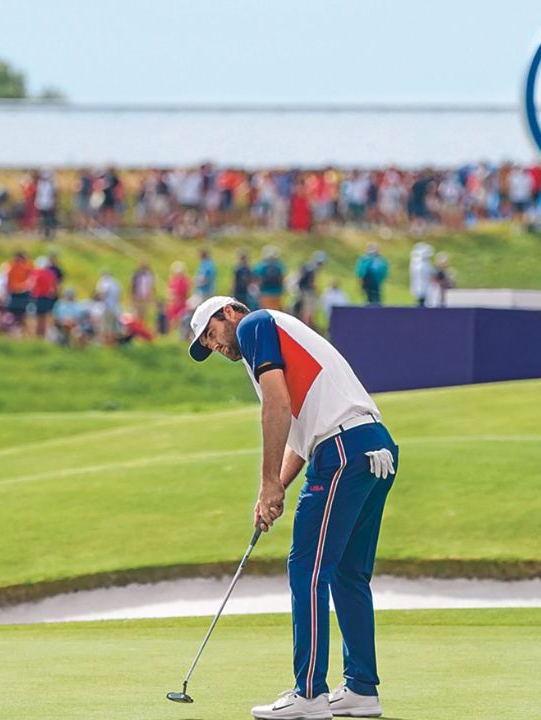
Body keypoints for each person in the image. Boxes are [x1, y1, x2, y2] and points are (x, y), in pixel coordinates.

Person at [187, 296, 398, 720]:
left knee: (307, 568)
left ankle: (308, 694)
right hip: (374, 447)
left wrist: (267, 484)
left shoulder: (255, 326)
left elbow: (277, 407)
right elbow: (300, 439)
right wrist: (275, 489)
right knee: (346, 573)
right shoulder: (275, 339)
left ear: (229, 312)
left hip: (340, 450)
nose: (216, 347)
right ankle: (360, 688)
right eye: (208, 346)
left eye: (211, 335)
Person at [31, 257, 59, 338]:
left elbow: (32, 286)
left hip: (37, 298)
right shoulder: (50, 274)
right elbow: (54, 288)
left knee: (38, 318)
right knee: (45, 318)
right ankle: (43, 335)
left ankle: (38, 336)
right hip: (47, 298)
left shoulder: (36, 273)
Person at [254, 245, 286, 311]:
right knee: (276, 311)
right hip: (277, 292)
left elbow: (256, 278)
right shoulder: (279, 265)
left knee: (265, 311)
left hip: (264, 292)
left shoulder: (261, 265)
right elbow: (282, 278)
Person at [165, 261, 190, 329]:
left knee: (179, 318)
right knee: (171, 318)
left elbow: (183, 292)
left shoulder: (184, 281)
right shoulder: (173, 280)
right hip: (173, 303)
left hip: (180, 303)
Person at [131, 261, 156, 327]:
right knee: (137, 313)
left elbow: (152, 286)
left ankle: (142, 327)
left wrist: (152, 296)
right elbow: (132, 285)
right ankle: (137, 327)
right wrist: (132, 296)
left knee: (144, 314)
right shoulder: (136, 274)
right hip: (137, 297)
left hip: (145, 297)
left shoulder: (149, 275)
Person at [408, 242, 434, 307]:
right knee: (421, 299)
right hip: (422, 285)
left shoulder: (421, 262)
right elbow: (428, 273)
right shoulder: (419, 263)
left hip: (424, 285)